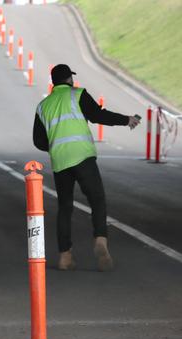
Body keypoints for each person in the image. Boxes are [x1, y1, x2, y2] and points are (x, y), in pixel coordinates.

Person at [32, 64, 140, 271]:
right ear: (69, 79)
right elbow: (99, 116)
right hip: (82, 156)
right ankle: (100, 240)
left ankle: (65, 256)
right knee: (97, 199)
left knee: (65, 207)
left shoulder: (43, 106)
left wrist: (56, 145)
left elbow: (38, 140)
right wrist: (127, 120)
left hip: (60, 161)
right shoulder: (77, 94)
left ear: (53, 82)